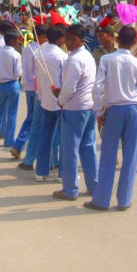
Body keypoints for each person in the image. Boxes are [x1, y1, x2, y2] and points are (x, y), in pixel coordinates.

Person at [87, 25, 137, 211]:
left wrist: (98, 111)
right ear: (134, 42)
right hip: (133, 108)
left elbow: (97, 88)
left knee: (109, 154)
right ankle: (124, 200)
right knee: (131, 155)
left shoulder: (107, 59)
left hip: (114, 109)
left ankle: (102, 199)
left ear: (116, 39)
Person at [52, 24, 98, 201]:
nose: (68, 42)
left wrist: (60, 99)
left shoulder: (76, 59)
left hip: (75, 108)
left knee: (70, 149)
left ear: (81, 39)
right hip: (88, 106)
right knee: (88, 147)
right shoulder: (87, 56)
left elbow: (70, 88)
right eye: (67, 38)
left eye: (72, 39)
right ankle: (94, 185)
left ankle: (70, 189)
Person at [34, 25, 67, 180]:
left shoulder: (39, 54)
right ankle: (61, 173)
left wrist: (40, 95)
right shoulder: (62, 56)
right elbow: (65, 80)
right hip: (59, 102)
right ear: (60, 39)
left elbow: (38, 80)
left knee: (44, 137)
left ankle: (41, 172)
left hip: (45, 100)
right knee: (62, 139)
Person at [11, 24, 48, 161]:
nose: (46, 40)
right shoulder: (39, 51)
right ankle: (21, 145)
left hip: (27, 86)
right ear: (39, 37)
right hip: (35, 87)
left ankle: (19, 144)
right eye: (45, 37)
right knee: (36, 120)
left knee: (31, 118)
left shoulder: (27, 48)